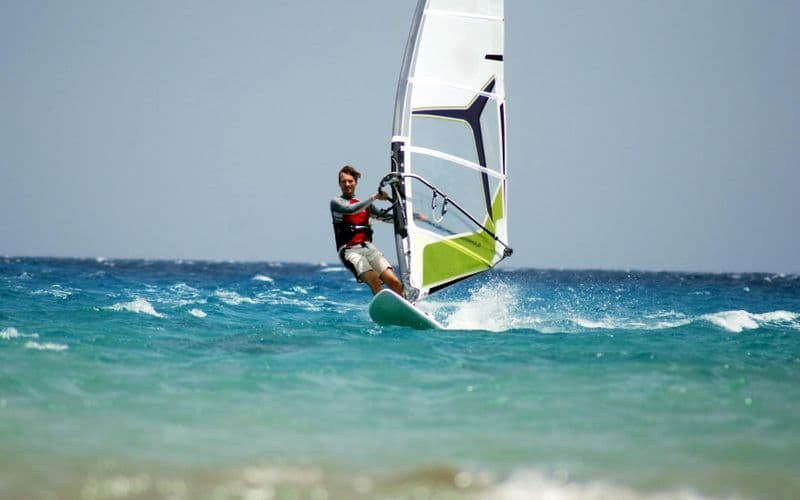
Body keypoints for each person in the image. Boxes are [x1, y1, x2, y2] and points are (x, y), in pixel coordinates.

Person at [331, 165, 404, 296]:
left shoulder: (366, 206)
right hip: (350, 251)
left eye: (350, 181)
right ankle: (385, 312)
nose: (347, 184)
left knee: (395, 282)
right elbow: (351, 209)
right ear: (339, 184)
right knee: (374, 280)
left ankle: (410, 309)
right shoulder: (336, 202)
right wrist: (374, 197)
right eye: (344, 182)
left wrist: (412, 216)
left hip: (369, 248)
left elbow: (387, 218)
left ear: (355, 182)